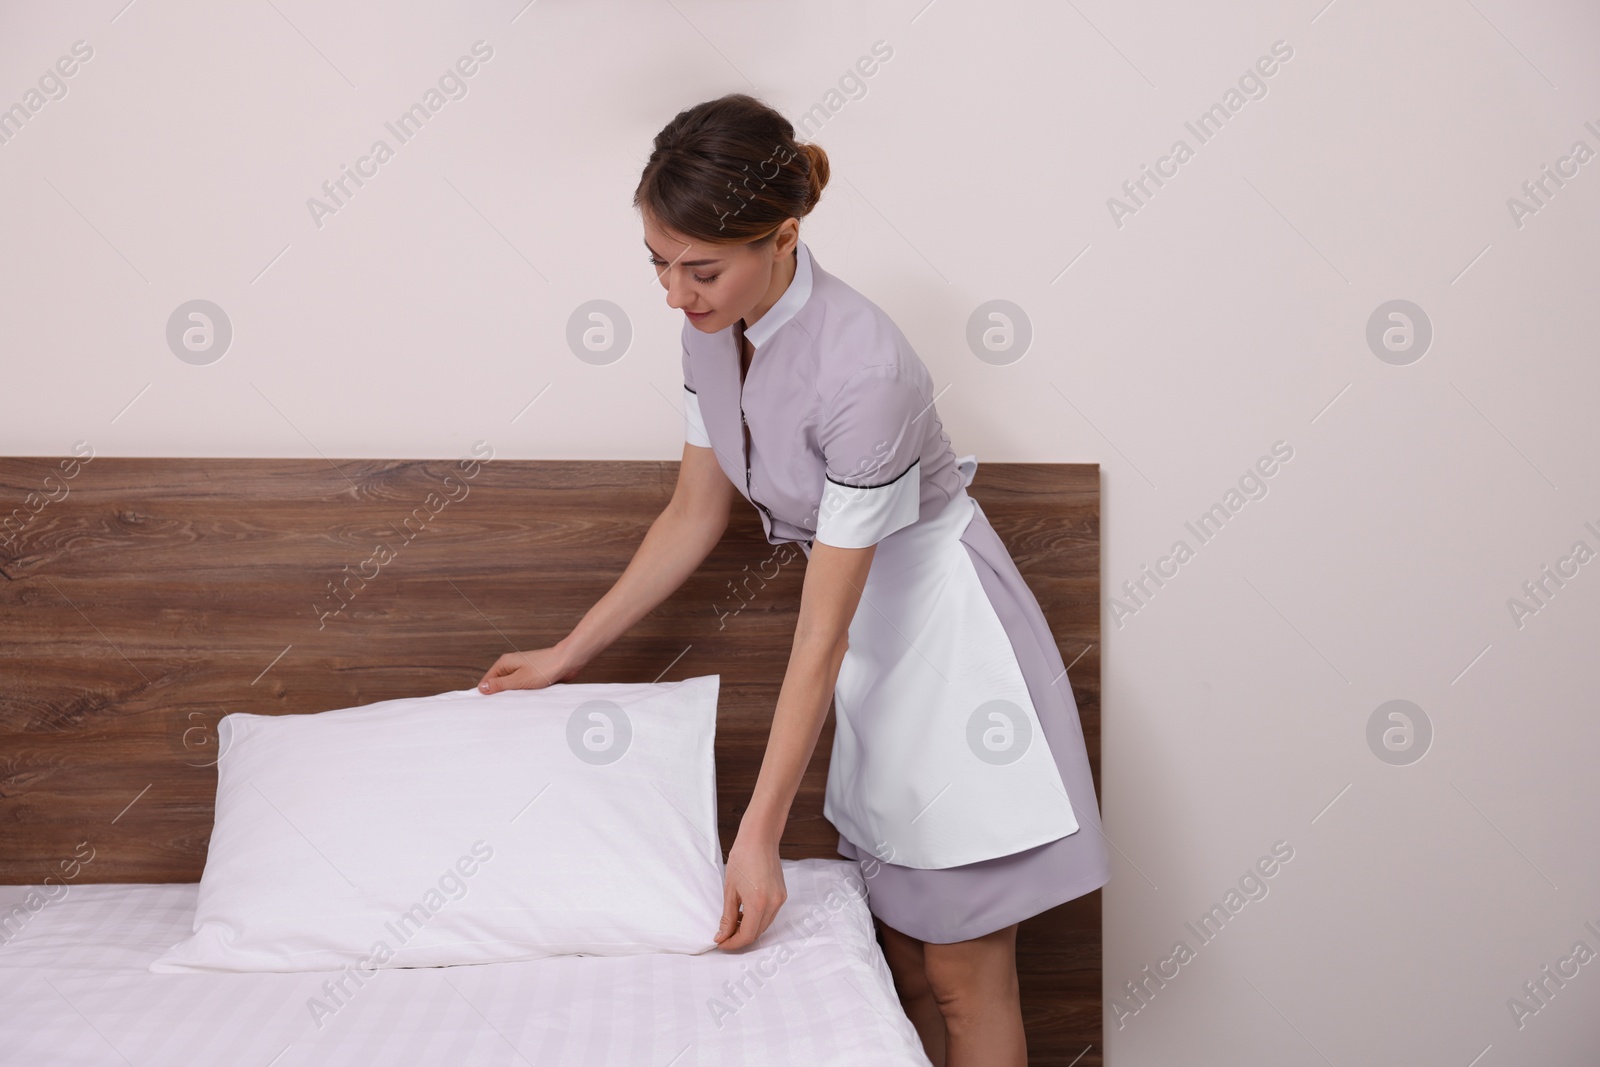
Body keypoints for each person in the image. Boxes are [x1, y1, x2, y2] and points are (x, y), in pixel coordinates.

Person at [478, 92, 1109, 1067]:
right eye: (657, 261)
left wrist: (757, 837)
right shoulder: (710, 323)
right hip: (870, 657)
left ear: (783, 235)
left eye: (700, 267)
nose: (675, 293)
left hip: (946, 655)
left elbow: (821, 633)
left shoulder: (867, 375)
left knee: (962, 975)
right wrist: (567, 652)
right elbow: (694, 511)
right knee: (901, 962)